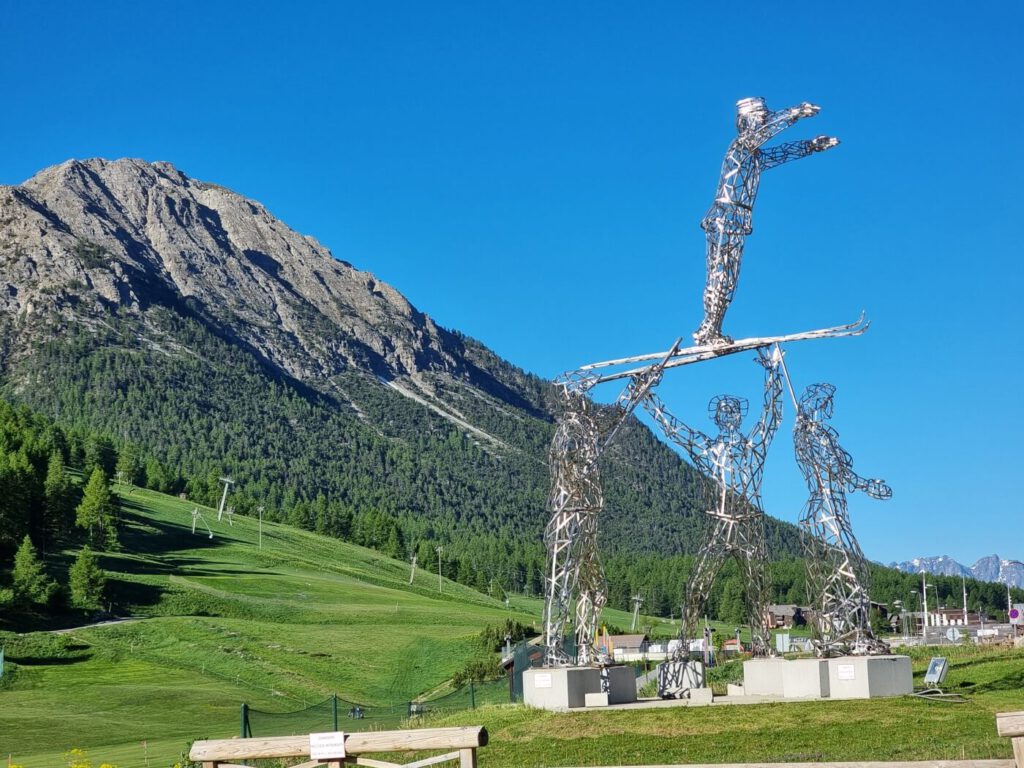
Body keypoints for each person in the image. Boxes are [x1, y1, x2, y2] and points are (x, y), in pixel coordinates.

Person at [694, 97, 839, 346]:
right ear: (743, 122)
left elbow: (781, 153)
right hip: (723, 218)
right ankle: (707, 331)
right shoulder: (741, 145)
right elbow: (764, 133)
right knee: (718, 278)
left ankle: (713, 329)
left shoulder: (753, 156)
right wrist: (793, 113)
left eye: (765, 116)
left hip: (738, 220)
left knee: (728, 280)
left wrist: (812, 146)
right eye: (759, 117)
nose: (764, 120)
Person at [793, 383, 892, 655]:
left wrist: (868, 485)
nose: (830, 409)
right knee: (849, 576)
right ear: (815, 405)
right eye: (826, 403)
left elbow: (844, 474)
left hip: (835, 511)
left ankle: (846, 638)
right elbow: (830, 470)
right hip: (824, 512)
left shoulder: (822, 435)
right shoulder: (808, 435)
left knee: (853, 575)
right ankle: (843, 640)